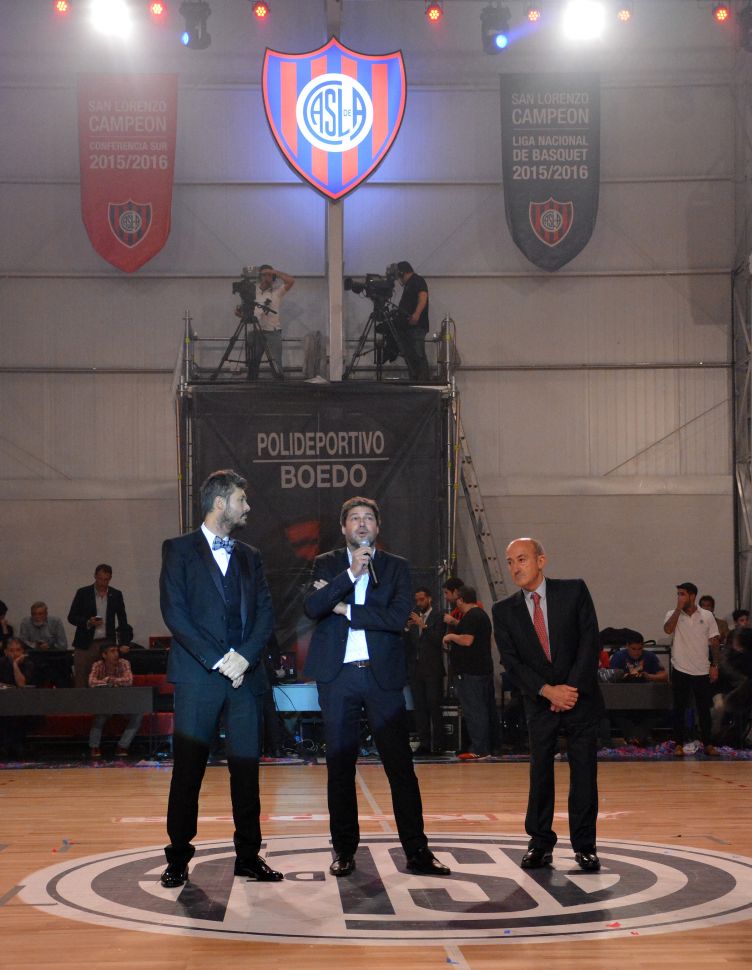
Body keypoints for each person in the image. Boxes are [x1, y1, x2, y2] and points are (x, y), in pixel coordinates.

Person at [303, 496, 450, 878]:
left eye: (368, 518)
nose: (362, 523)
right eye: (354, 518)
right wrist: (350, 575)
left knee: (400, 767)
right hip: (338, 678)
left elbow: (397, 617)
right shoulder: (327, 564)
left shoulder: (396, 567)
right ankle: (344, 851)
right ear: (343, 527)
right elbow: (313, 606)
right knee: (340, 768)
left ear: (378, 527)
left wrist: (345, 609)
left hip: (381, 679)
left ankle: (418, 852)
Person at [158, 468, 282, 889]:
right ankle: (177, 857)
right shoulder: (177, 550)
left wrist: (244, 658)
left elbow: (265, 614)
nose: (248, 507)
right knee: (188, 771)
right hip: (199, 678)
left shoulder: (251, 555)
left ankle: (248, 856)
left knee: (246, 771)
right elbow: (175, 613)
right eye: (241, 500)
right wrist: (218, 660)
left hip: (245, 679)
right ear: (219, 503)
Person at [493, 537, 602, 872]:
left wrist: (569, 690)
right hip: (540, 703)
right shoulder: (503, 611)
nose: (515, 567)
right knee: (540, 774)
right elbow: (511, 662)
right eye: (510, 562)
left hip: (579, 698)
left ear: (541, 560)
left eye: (522, 559)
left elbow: (590, 641)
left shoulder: (574, 591)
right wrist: (547, 691)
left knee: (584, 774)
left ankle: (585, 846)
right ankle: (540, 844)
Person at [663, 581, 720, 757]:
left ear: (692, 596)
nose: (679, 597)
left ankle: (708, 743)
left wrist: (715, 665)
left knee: (704, 709)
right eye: (678, 594)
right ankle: (678, 744)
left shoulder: (707, 615)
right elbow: (668, 630)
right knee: (679, 708)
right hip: (680, 667)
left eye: (682, 594)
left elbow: (714, 641)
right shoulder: (672, 614)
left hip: (701, 669)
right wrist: (678, 609)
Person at [442, 586, 495, 761]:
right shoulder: (479, 615)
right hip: (479, 671)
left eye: (457, 598)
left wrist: (450, 637)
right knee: (480, 709)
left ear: (461, 600)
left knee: (474, 711)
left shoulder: (472, 616)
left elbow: (467, 640)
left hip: (471, 672)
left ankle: (479, 749)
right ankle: (484, 747)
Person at [68, 565, 132, 688]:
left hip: (107, 642)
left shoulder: (116, 594)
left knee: (107, 678)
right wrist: (88, 622)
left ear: (110, 578)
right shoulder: (83, 593)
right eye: (100, 579)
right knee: (82, 678)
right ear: (95, 576)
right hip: (85, 643)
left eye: (106, 580)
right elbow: (71, 617)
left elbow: (123, 620)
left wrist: (125, 642)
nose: (103, 583)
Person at [404, 586, 445, 756]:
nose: (419, 603)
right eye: (417, 600)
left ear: (429, 599)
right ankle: (425, 743)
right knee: (419, 707)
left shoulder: (438, 616)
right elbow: (409, 647)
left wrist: (424, 626)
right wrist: (407, 629)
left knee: (434, 706)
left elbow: (438, 640)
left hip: (433, 669)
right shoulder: (414, 619)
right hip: (416, 670)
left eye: (421, 599)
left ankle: (439, 743)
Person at [608, 630, 668, 745]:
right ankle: (637, 737)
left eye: (639, 649)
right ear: (627, 646)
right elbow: (611, 676)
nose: (636, 652)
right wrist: (624, 676)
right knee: (614, 712)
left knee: (660, 710)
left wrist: (649, 676)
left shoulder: (650, 656)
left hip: (646, 700)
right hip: (623, 701)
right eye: (633, 649)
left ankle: (636, 737)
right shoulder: (618, 656)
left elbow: (664, 675)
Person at [87, 642, 142, 759]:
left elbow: (129, 680)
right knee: (99, 716)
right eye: (112, 651)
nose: (116, 654)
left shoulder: (124, 663)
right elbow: (91, 682)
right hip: (105, 703)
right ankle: (94, 746)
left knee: (138, 714)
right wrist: (107, 681)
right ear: (104, 655)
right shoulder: (97, 665)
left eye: (117, 650)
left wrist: (112, 680)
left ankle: (122, 746)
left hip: (123, 702)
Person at [240, 264, 294, 379]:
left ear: (273, 276)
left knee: (276, 361)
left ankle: (279, 383)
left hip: (273, 332)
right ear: (260, 276)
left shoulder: (277, 292)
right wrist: (240, 314)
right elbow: (248, 313)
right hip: (256, 331)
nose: (266, 277)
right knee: (253, 361)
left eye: (269, 275)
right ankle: (251, 383)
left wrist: (275, 272)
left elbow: (291, 281)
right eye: (264, 275)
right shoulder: (253, 292)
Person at [0, 638, 35, 759]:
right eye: (11, 650)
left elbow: (21, 684)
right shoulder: (1, 663)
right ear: (5, 652)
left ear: (23, 652)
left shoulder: (28, 664)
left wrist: (15, 665)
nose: (14, 653)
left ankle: (17, 746)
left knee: (17, 717)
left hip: (24, 705)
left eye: (18, 650)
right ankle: (5, 747)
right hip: (3, 704)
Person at [396, 260, 430, 382]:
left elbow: (423, 297)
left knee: (418, 354)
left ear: (402, 272)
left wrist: (416, 314)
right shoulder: (409, 284)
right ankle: (416, 379)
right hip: (409, 327)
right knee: (412, 355)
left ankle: (423, 381)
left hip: (417, 326)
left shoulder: (417, 281)